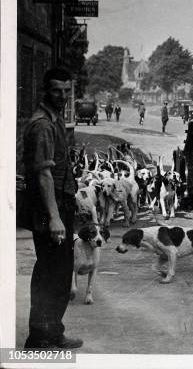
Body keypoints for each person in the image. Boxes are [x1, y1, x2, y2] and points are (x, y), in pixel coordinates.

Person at [22, 67, 83, 349]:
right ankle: (40, 338)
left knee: (57, 272)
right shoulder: (43, 125)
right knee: (51, 274)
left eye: (66, 91)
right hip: (50, 210)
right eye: (56, 90)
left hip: (60, 204)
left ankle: (50, 333)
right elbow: (44, 175)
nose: (62, 96)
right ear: (45, 90)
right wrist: (55, 218)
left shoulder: (54, 120)